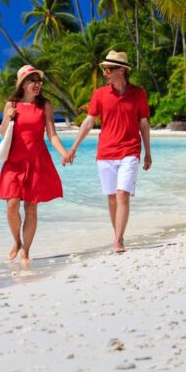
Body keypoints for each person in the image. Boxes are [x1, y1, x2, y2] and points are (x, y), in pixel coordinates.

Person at [64, 50, 152, 253]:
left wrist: (147, 152)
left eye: (109, 69)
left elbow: (144, 124)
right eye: (104, 69)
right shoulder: (100, 95)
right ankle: (117, 235)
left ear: (122, 70)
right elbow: (88, 122)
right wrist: (73, 148)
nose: (105, 73)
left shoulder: (139, 94)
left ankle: (118, 240)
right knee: (112, 197)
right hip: (105, 153)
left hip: (130, 150)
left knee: (122, 194)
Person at [0, 65, 68, 262]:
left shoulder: (45, 105)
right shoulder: (11, 104)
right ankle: (16, 241)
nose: (37, 84)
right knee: (12, 204)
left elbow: (52, 134)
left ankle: (26, 250)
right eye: (32, 81)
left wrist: (64, 153)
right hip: (14, 161)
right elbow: (3, 133)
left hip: (37, 159)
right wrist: (9, 117)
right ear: (23, 84)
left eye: (39, 81)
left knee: (31, 207)